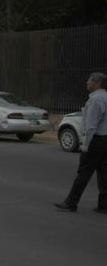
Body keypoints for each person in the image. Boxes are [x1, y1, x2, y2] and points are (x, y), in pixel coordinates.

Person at [54, 72, 107, 213]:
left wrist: (85, 144)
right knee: (104, 174)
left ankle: (71, 202)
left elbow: (91, 125)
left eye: (89, 81)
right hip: (104, 140)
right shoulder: (105, 97)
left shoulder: (95, 100)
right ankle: (104, 205)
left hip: (95, 141)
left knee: (83, 173)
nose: (87, 83)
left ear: (97, 83)